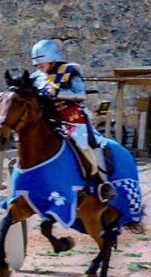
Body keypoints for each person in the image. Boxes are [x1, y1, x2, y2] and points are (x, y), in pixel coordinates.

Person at [29, 39, 117, 202]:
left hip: (72, 118)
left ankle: (103, 184)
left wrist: (58, 94)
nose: (38, 65)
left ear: (51, 58)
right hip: (49, 120)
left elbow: (81, 95)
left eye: (41, 61)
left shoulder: (69, 71)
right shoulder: (36, 77)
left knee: (87, 145)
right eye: (36, 63)